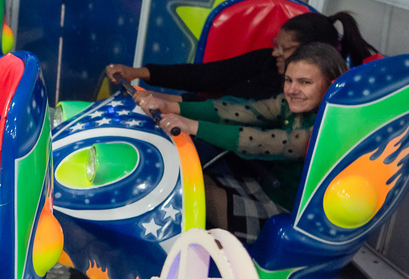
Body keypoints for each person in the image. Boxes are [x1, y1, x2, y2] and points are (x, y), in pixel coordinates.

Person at [138, 42, 348, 242]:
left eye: (305, 82)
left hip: (289, 214)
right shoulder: (289, 103)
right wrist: (171, 106)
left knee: (189, 197)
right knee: (187, 182)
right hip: (267, 189)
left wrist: (192, 126)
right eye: (288, 80)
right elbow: (240, 111)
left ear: (332, 86)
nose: (292, 89)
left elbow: (262, 142)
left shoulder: (327, 128)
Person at [105, 10, 376, 102]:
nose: (275, 53)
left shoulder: (296, 95)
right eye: (275, 44)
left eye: (285, 49)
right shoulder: (267, 62)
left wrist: (162, 101)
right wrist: (140, 75)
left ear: (314, 53)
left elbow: (233, 116)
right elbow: (210, 77)